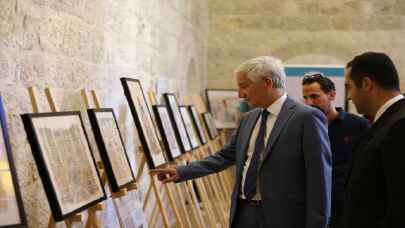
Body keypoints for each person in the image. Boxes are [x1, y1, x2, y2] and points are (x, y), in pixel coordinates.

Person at [151, 56, 332, 228]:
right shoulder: (249, 118)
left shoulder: (306, 118)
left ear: (267, 82)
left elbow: (320, 180)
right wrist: (181, 171)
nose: (240, 94)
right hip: (243, 213)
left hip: (284, 218)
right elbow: (225, 156)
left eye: (244, 86)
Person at [339, 52, 405, 228]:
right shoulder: (387, 121)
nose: (348, 96)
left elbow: (400, 207)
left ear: (367, 84)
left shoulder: (400, 125)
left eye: (349, 87)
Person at [301, 73, 370, 227]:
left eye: (314, 96)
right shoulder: (301, 128)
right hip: (313, 208)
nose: (309, 102)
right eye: (305, 98)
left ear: (332, 95)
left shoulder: (358, 126)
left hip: (347, 209)